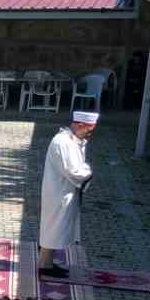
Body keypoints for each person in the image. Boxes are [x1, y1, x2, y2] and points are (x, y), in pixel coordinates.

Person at [39, 111, 98, 277]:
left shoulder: (72, 140)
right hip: (59, 192)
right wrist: (89, 172)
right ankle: (44, 266)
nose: (89, 135)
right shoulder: (63, 142)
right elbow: (74, 171)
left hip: (64, 190)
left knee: (54, 228)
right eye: (89, 130)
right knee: (53, 228)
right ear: (79, 125)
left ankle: (46, 262)